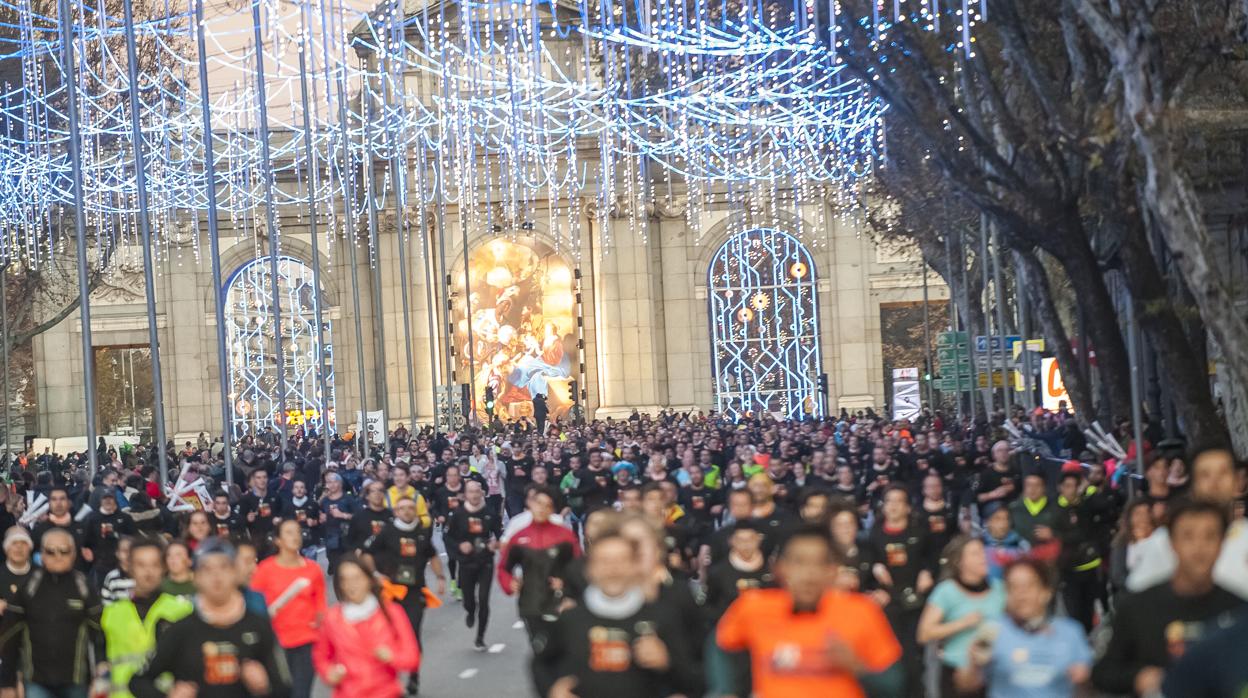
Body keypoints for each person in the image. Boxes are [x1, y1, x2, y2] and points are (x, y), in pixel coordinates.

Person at [716, 525, 903, 697]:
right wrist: (725, 690)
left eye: (819, 563)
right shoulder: (754, 606)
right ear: (781, 568)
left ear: (833, 570)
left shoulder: (861, 611)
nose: (809, 574)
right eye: (799, 562)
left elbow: (895, 685)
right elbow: (719, 643)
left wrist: (857, 666)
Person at [1093, 499, 1242, 696]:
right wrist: (1137, 677)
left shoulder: (1239, 611)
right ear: (1172, 543)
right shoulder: (1136, 606)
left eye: (1210, 536)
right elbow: (1103, 672)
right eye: (1188, 536)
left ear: (1222, 544)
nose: (1199, 548)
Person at [534, 531, 700, 698]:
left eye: (622, 560)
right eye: (604, 561)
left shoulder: (662, 616)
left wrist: (667, 662)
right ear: (590, 569)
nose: (613, 569)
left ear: (635, 565)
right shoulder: (571, 620)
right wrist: (551, 690)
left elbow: (695, 678)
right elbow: (540, 663)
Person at [128, 538, 291, 698]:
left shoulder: (259, 626)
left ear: (234, 573)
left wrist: (265, 688)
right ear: (196, 577)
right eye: (207, 569)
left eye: (223, 567)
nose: (216, 576)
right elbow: (138, 681)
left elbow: (286, 687)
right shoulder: (180, 630)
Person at [955, 559, 1092, 698]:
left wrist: (1084, 679)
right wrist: (973, 665)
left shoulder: (1070, 632)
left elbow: (1086, 685)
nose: (1021, 595)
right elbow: (966, 685)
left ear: (1046, 592)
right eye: (1013, 587)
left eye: (1028, 586)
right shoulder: (991, 630)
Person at [1126, 446, 1248, 598]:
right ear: (1194, 481)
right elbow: (1138, 595)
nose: (1215, 482)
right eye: (1205, 474)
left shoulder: (1245, 533)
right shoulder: (1166, 540)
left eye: (1223, 473)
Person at [0, 528, 105, 698]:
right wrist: (7, 682)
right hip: (36, 682)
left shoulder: (84, 586)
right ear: (41, 555)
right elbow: (10, 636)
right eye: (50, 551)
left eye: (64, 551)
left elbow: (99, 634)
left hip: (77, 681)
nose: (57, 556)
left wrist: (100, 677)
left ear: (73, 555)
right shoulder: (29, 586)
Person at [365, 495, 445, 697]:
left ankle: (413, 676)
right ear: (396, 512)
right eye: (402, 508)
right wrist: (374, 575)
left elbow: (432, 555)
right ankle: (390, 677)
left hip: (415, 591)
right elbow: (366, 553)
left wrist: (440, 577)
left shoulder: (423, 532)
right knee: (389, 635)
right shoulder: (387, 532)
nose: (407, 511)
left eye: (410, 507)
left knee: (412, 633)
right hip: (390, 592)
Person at [312, 554, 420, 698]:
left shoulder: (392, 612)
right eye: (345, 580)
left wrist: (392, 656)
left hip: (387, 693)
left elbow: (412, 657)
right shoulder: (332, 618)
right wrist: (329, 673)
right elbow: (321, 656)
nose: (351, 585)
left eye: (357, 578)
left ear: (369, 580)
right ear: (340, 585)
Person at [100, 539, 194, 698]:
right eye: (141, 565)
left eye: (155, 565)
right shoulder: (112, 613)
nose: (148, 572)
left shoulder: (182, 610)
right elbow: (102, 664)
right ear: (129, 567)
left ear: (163, 568)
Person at [918, 536, 1006, 697]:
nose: (983, 557)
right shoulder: (946, 591)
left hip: (994, 672)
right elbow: (924, 633)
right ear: (960, 562)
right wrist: (963, 623)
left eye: (983, 552)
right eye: (975, 553)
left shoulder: (999, 589)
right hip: (958, 673)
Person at [250, 520, 327, 698]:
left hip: (306, 641)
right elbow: (254, 602)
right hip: (276, 643)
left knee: (301, 693)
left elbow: (321, 604)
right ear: (278, 540)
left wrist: (322, 624)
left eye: (298, 532)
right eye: (289, 533)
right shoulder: (266, 569)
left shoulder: (313, 569)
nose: (295, 537)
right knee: (280, 692)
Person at [498, 485, 580, 638]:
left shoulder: (565, 536)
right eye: (538, 504)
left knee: (558, 646)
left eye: (547, 505)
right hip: (530, 601)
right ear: (530, 505)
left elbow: (578, 566)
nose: (542, 509)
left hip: (558, 599)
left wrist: (567, 584)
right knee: (538, 645)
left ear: (552, 509)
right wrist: (509, 583)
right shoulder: (519, 537)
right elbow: (503, 567)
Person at [444, 480, 502, 650]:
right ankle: (470, 611)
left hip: (485, 561)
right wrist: (460, 547)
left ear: (482, 493)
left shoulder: (490, 512)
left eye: (477, 492)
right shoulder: (458, 514)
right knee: (469, 600)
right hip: (466, 562)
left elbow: (500, 534)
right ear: (465, 494)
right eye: (471, 492)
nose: (475, 495)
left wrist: (496, 543)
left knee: (484, 600)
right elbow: (447, 537)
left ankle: (480, 637)